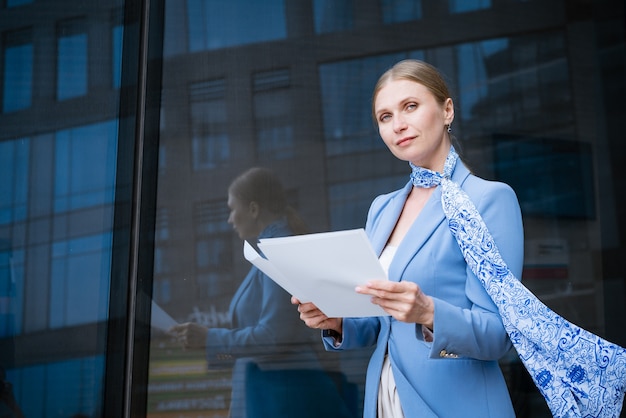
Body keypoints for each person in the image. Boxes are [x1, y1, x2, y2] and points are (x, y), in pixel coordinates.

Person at [293, 59, 524, 417]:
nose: (398, 124)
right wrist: (336, 319)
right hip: (386, 400)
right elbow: (377, 322)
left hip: (457, 405)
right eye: (385, 117)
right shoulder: (382, 209)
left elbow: (498, 336)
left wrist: (428, 312)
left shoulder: (488, 200)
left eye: (410, 107)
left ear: (447, 109)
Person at [171, 167, 355, 418]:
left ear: (254, 209)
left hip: (284, 396)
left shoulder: (277, 252)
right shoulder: (273, 251)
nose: (230, 219)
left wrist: (210, 338)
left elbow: (274, 336)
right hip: (280, 392)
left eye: (232, 209)